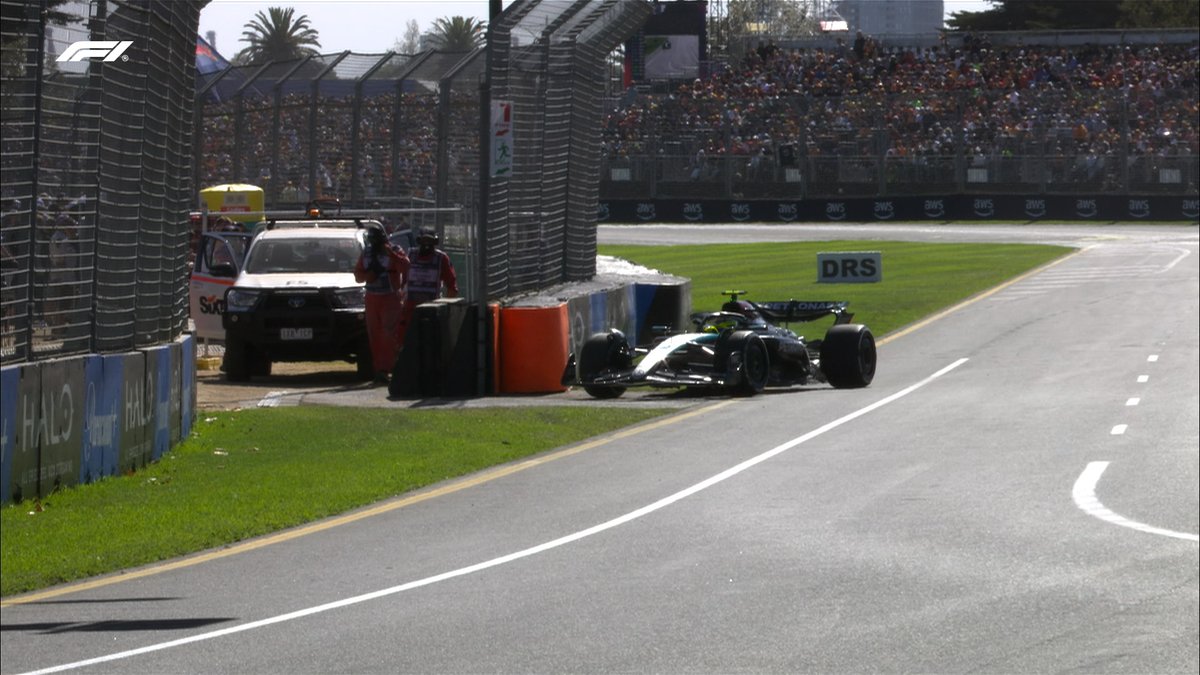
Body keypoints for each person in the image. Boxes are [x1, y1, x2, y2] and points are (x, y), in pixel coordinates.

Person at [354, 226, 409, 384]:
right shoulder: (367, 253)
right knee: (374, 334)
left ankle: (386, 368)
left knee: (388, 334)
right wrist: (369, 275)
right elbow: (358, 276)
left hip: (390, 297)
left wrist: (391, 254)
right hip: (372, 298)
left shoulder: (395, 249)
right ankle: (379, 369)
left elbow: (406, 265)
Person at [396, 226, 458, 348]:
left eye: (430, 242)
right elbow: (402, 281)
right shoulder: (410, 255)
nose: (426, 245)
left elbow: (452, 286)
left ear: (435, 242)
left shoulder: (441, 258)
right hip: (410, 308)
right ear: (419, 241)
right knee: (404, 342)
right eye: (424, 241)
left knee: (430, 342)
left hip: (431, 309)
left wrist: (444, 308)